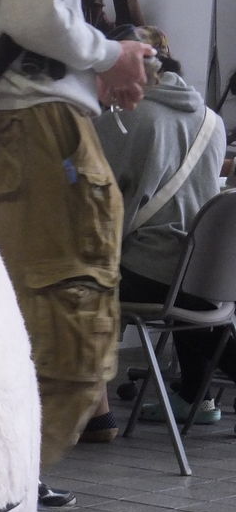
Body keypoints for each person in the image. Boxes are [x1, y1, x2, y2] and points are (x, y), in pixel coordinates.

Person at [0, 0, 153, 512]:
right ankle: (0, 490)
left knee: (14, 313)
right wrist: (110, 56)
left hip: (6, 119)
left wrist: (89, 63)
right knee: (64, 307)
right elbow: (34, 17)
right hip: (38, 124)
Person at [94, 27, 231, 425]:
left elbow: (95, 197)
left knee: (73, 280)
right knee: (194, 306)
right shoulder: (213, 121)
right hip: (206, 273)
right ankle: (195, 398)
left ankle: (90, 410)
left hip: (153, 273)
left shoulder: (126, 121)